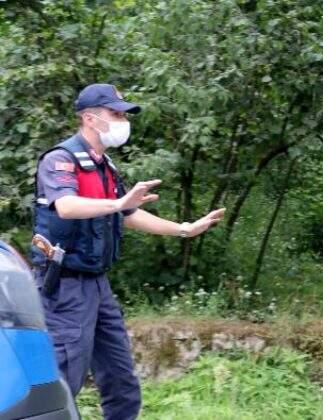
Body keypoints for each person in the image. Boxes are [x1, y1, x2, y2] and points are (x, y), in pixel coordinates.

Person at [31, 83, 225, 419]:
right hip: (65, 286)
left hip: (97, 284)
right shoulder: (60, 159)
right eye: (115, 113)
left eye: (123, 114)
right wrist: (119, 202)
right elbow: (65, 206)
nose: (123, 120)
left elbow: (128, 214)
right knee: (64, 380)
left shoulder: (105, 165)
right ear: (89, 118)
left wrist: (184, 228)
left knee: (122, 381)